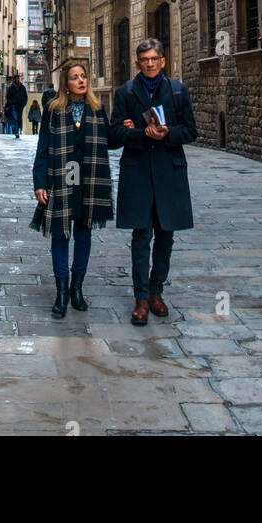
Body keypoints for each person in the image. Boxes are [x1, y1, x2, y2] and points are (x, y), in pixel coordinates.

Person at [109, 38, 197, 326]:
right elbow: (113, 136)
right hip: (138, 173)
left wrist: (168, 132)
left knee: (166, 235)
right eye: (144, 59)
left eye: (154, 59)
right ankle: (141, 298)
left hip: (169, 172)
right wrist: (139, 134)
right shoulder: (125, 93)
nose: (149, 63)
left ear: (162, 61)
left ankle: (157, 291)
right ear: (138, 63)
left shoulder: (177, 91)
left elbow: (190, 131)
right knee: (141, 236)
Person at [31, 61, 116, 318]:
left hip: (90, 178)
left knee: (84, 231)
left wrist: (129, 128)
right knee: (60, 233)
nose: (81, 81)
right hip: (63, 177)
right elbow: (43, 148)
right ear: (66, 85)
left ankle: (77, 288)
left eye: (83, 76)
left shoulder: (97, 109)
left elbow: (110, 141)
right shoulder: (54, 111)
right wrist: (39, 183)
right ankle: (61, 292)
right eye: (74, 77)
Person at [6, 73, 28, 139]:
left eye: (18, 78)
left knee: (19, 118)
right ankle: (16, 132)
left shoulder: (22, 87)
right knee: (15, 118)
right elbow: (8, 96)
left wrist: (23, 104)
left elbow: (25, 97)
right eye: (16, 79)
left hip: (20, 106)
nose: (17, 80)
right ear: (14, 80)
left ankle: (18, 130)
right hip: (13, 105)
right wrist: (11, 103)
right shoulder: (11, 88)